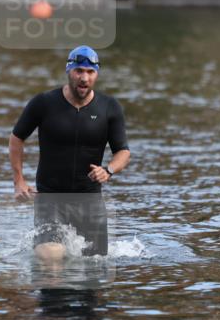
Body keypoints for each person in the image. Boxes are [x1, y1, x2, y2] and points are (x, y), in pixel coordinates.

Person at [9, 46, 131, 260]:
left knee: (94, 267)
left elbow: (123, 151)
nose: (84, 78)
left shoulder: (109, 107)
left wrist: (108, 170)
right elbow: (16, 138)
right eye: (79, 71)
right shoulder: (44, 103)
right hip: (50, 198)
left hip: (90, 200)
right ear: (69, 71)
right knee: (51, 256)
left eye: (90, 72)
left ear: (96, 74)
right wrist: (18, 180)